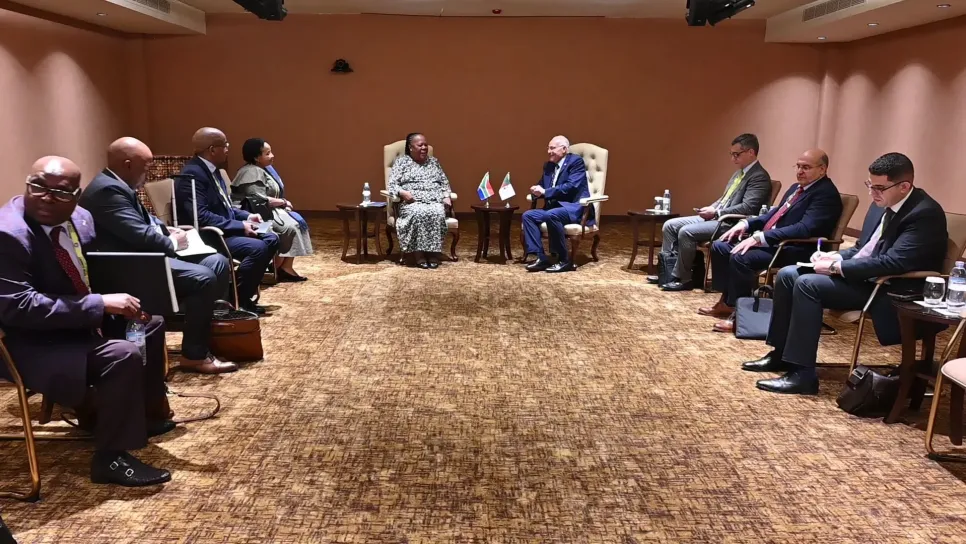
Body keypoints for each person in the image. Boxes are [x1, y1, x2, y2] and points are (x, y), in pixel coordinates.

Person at [0, 156, 171, 487]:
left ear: (77, 196)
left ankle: (139, 417)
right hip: (25, 341)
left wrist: (131, 298)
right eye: (38, 186)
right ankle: (110, 458)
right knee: (121, 355)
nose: (47, 197)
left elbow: (95, 269)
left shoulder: (81, 217)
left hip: (71, 322)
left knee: (149, 323)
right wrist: (100, 304)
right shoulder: (8, 235)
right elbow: (18, 308)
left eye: (61, 192)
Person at [745, 153, 947, 395]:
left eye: (879, 188)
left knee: (808, 284)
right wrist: (835, 257)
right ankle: (781, 354)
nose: (872, 193)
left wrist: (836, 268)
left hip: (892, 288)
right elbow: (864, 248)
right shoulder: (882, 203)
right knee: (789, 274)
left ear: (904, 187)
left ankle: (802, 375)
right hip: (869, 279)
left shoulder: (924, 214)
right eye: (870, 185)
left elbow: (894, 262)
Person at [79, 137, 237, 374]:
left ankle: (201, 334)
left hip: (142, 257)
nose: (149, 172)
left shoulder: (118, 183)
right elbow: (141, 236)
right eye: (145, 167)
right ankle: (194, 355)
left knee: (218, 262)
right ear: (128, 164)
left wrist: (167, 230)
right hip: (127, 266)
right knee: (203, 278)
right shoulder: (107, 191)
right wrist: (173, 241)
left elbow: (144, 220)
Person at [700, 149, 843, 333]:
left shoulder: (825, 194)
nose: (800, 171)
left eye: (806, 167)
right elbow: (774, 214)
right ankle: (728, 302)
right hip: (778, 242)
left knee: (741, 257)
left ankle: (741, 315)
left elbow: (804, 228)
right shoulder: (796, 188)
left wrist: (762, 237)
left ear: (822, 169)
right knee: (721, 246)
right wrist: (746, 223)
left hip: (797, 248)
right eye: (798, 166)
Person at [175, 128, 279, 314]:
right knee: (258, 248)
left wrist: (246, 217)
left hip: (225, 228)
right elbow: (200, 216)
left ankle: (238, 295)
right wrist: (240, 226)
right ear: (212, 149)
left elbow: (224, 206)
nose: (228, 149)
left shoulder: (213, 170)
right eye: (225, 145)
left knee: (271, 238)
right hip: (209, 235)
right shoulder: (192, 175)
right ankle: (237, 299)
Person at [655, 134, 771, 291]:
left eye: (736, 154)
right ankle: (666, 273)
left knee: (686, 232)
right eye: (731, 154)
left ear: (751, 152)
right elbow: (724, 199)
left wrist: (716, 212)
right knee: (669, 225)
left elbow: (748, 208)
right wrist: (710, 208)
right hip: (719, 217)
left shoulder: (759, 177)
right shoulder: (739, 173)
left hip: (732, 223)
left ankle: (683, 278)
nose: (733, 159)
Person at [231, 138, 312, 281]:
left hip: (268, 210)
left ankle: (284, 266)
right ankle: (277, 266)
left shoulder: (264, 169)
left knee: (296, 222)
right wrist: (283, 202)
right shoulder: (251, 172)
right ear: (256, 157)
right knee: (289, 227)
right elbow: (257, 200)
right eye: (267, 153)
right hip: (253, 213)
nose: (272, 156)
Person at [522, 135, 591, 273]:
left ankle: (564, 260)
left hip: (571, 207)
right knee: (528, 216)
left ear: (564, 149)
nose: (549, 151)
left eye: (552, 148)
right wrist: (536, 190)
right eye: (548, 148)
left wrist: (545, 192)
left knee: (551, 215)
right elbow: (543, 185)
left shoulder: (575, 162)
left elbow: (571, 187)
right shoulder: (549, 166)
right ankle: (541, 257)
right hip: (552, 208)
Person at [386, 132, 452, 269]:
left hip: (434, 200)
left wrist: (446, 195)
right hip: (412, 202)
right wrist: (402, 192)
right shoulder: (402, 162)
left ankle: (433, 253)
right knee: (418, 213)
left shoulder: (433, 162)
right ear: (410, 147)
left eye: (425, 145)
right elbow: (392, 185)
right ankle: (418, 254)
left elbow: (444, 182)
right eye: (420, 145)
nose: (424, 148)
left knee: (436, 212)